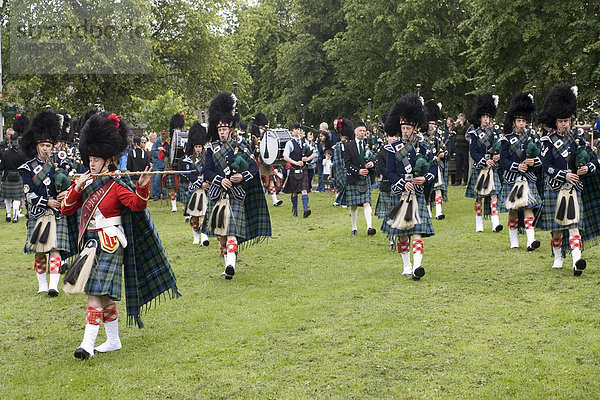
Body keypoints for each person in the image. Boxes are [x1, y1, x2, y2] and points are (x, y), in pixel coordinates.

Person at [61, 112, 179, 359]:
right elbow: (66, 209)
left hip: (112, 243)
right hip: (91, 244)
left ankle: (86, 345)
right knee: (103, 296)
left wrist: (143, 185)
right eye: (90, 158)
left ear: (109, 160)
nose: (91, 164)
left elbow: (137, 205)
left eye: (96, 160)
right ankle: (113, 340)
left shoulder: (116, 185)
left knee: (94, 293)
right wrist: (77, 188)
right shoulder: (85, 182)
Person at [203, 92, 271, 279]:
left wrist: (242, 176)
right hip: (218, 194)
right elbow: (206, 171)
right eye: (219, 130)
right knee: (222, 234)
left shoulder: (241, 147)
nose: (222, 132)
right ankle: (227, 265)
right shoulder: (211, 150)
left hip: (236, 194)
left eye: (224, 129)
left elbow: (254, 168)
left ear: (230, 130)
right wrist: (219, 179)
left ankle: (231, 264)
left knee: (232, 231)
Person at [537, 83, 599, 275]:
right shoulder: (547, 141)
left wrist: (586, 168)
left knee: (574, 226)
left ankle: (576, 260)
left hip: (574, 188)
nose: (564, 124)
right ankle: (557, 256)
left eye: (567, 120)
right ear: (555, 121)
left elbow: (595, 160)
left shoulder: (578, 140)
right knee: (556, 230)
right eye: (561, 121)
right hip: (555, 187)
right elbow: (545, 166)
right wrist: (564, 174)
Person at [19, 111, 73, 296]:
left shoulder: (61, 166)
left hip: (57, 213)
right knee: (40, 251)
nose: (45, 149)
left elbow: (71, 187)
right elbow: (28, 195)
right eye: (42, 145)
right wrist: (47, 201)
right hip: (38, 213)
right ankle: (42, 285)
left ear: (53, 146)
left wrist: (65, 193)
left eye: (48, 145)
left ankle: (53, 286)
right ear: (36, 146)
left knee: (56, 250)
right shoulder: (27, 168)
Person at [384, 94, 437, 279]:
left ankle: (418, 266)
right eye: (403, 128)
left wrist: (425, 178)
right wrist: (402, 183)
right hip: (400, 193)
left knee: (417, 232)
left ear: (415, 128)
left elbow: (434, 167)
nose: (405, 131)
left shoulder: (424, 147)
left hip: (418, 192)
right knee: (403, 234)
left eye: (408, 128)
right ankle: (407, 265)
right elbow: (389, 172)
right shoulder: (392, 148)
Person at [497, 92, 542, 250]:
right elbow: (503, 160)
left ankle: (531, 241)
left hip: (528, 177)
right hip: (512, 177)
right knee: (514, 210)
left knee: (529, 208)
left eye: (524, 121)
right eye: (519, 121)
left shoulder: (533, 137)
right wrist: (517, 166)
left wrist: (533, 161)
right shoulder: (506, 139)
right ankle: (514, 242)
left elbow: (541, 158)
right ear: (514, 122)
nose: (521, 123)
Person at [465, 93, 503, 233]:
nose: (486, 120)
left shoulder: (496, 131)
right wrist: (483, 160)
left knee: (494, 194)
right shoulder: (474, 133)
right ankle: (479, 223)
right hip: (480, 167)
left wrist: (498, 156)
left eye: (488, 117)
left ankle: (495, 222)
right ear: (480, 118)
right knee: (479, 197)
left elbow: (501, 147)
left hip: (492, 166)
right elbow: (473, 152)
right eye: (484, 117)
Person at [343, 121, 376, 236]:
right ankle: (354, 228)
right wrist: (358, 171)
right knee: (354, 205)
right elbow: (347, 164)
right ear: (355, 132)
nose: (362, 133)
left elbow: (375, 158)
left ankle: (369, 227)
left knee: (367, 202)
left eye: (364, 131)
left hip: (365, 178)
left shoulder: (369, 144)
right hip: (353, 178)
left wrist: (372, 163)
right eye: (360, 131)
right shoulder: (348, 146)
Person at [181, 121, 210, 245]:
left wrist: (206, 183)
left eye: (200, 146)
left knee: (204, 213)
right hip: (194, 190)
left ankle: (204, 236)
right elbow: (190, 175)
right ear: (193, 147)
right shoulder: (188, 160)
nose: (198, 148)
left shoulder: (207, 158)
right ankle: (195, 236)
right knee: (194, 216)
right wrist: (200, 184)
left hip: (205, 190)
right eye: (196, 146)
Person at [283, 122, 316, 217]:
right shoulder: (290, 143)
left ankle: (305, 210)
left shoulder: (304, 142)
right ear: (292, 131)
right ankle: (295, 211)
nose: (298, 131)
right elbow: (285, 157)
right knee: (294, 192)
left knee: (304, 189)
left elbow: (314, 153)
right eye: (296, 129)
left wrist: (307, 159)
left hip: (303, 168)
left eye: (299, 130)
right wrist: (295, 162)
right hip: (294, 168)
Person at [373, 124, 399, 251]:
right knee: (389, 215)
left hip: (400, 186)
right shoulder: (382, 153)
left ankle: (399, 238)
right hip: (387, 187)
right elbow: (380, 169)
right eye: (391, 136)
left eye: (395, 136)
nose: (393, 138)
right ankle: (391, 241)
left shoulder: (402, 150)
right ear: (387, 138)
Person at [423, 100, 448, 220]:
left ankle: (439, 212)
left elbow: (445, 149)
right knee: (428, 190)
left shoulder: (438, 137)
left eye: (433, 123)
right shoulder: (421, 137)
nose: (432, 125)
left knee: (438, 188)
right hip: (426, 166)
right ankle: (428, 212)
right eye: (430, 123)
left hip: (437, 165)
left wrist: (443, 154)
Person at [254, 113, 283, 207]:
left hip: (265, 162)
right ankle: (260, 201)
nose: (263, 130)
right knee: (259, 182)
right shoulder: (253, 138)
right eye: (261, 128)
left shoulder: (267, 137)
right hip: (257, 162)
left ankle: (275, 200)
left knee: (270, 179)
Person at [1, 134, 26, 222]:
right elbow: (24, 166)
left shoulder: (5, 153)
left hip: (7, 176)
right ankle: (15, 216)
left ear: (10, 142)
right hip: (18, 176)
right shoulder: (21, 154)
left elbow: (2, 167)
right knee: (16, 198)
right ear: (17, 142)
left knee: (7, 198)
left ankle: (8, 215)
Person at [332, 119, 353, 207]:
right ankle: (341, 200)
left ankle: (342, 201)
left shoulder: (350, 144)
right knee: (342, 183)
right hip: (341, 166)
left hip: (348, 166)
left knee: (346, 183)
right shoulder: (338, 145)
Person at [150, 130, 167, 200]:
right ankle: (155, 195)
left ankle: (164, 194)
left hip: (164, 164)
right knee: (156, 180)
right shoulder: (156, 142)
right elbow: (153, 152)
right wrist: (161, 153)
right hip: (157, 165)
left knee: (164, 180)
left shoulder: (167, 142)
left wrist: (164, 152)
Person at [454, 113, 469, 185]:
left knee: (466, 164)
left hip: (465, 147)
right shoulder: (457, 126)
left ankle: (465, 180)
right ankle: (458, 180)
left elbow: (465, 133)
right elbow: (453, 132)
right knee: (458, 164)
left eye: (461, 119)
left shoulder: (467, 126)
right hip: (458, 147)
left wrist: (462, 125)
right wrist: (456, 125)